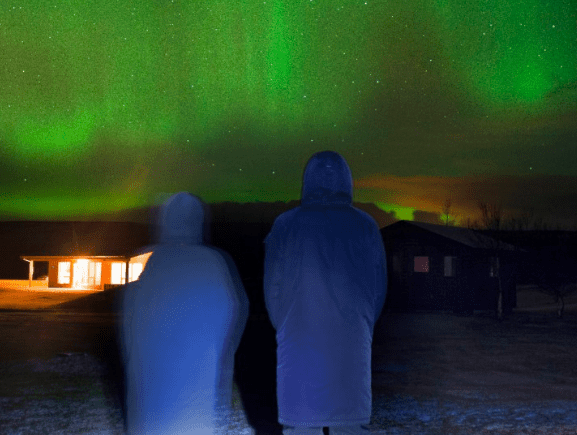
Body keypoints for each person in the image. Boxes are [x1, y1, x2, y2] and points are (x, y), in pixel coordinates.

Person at [263, 151, 387, 435]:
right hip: (351, 350)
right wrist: (361, 324)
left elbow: (273, 289)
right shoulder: (365, 225)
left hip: (299, 345)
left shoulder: (286, 225)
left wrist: (286, 325)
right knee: (351, 424)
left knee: (302, 425)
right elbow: (377, 288)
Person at [120, 192, 249, 434]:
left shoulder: (151, 260)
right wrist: (222, 353)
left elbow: (130, 319)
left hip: (154, 384)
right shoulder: (213, 262)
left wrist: (135, 359)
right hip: (199, 380)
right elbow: (235, 310)